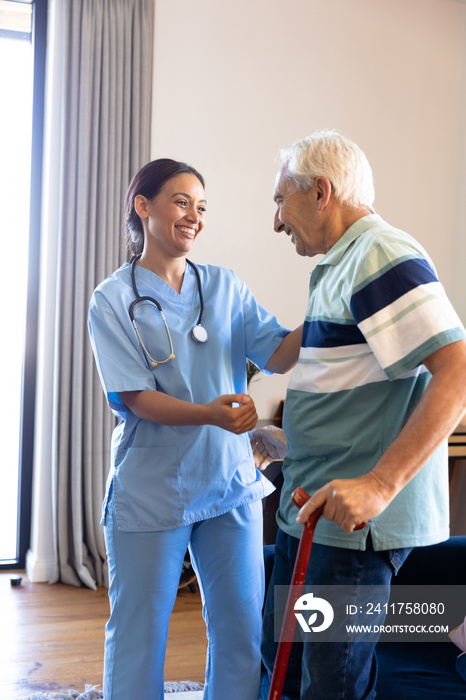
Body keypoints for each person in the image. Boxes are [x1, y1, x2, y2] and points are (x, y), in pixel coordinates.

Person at [253, 130, 466, 700]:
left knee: (331, 688)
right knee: (286, 671)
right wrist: (287, 438)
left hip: (349, 532)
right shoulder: (341, 265)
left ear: (321, 192)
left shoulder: (380, 253)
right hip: (310, 507)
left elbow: (458, 373)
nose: (277, 221)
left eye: (281, 200)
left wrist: (378, 484)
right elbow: (355, 389)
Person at [87, 158, 301, 700]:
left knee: (241, 633)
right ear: (144, 206)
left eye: (201, 207)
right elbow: (135, 396)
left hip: (229, 484)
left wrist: (333, 311)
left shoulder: (225, 287)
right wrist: (210, 413)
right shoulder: (112, 299)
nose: (194, 216)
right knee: (139, 637)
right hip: (153, 488)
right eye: (182, 201)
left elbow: (276, 354)